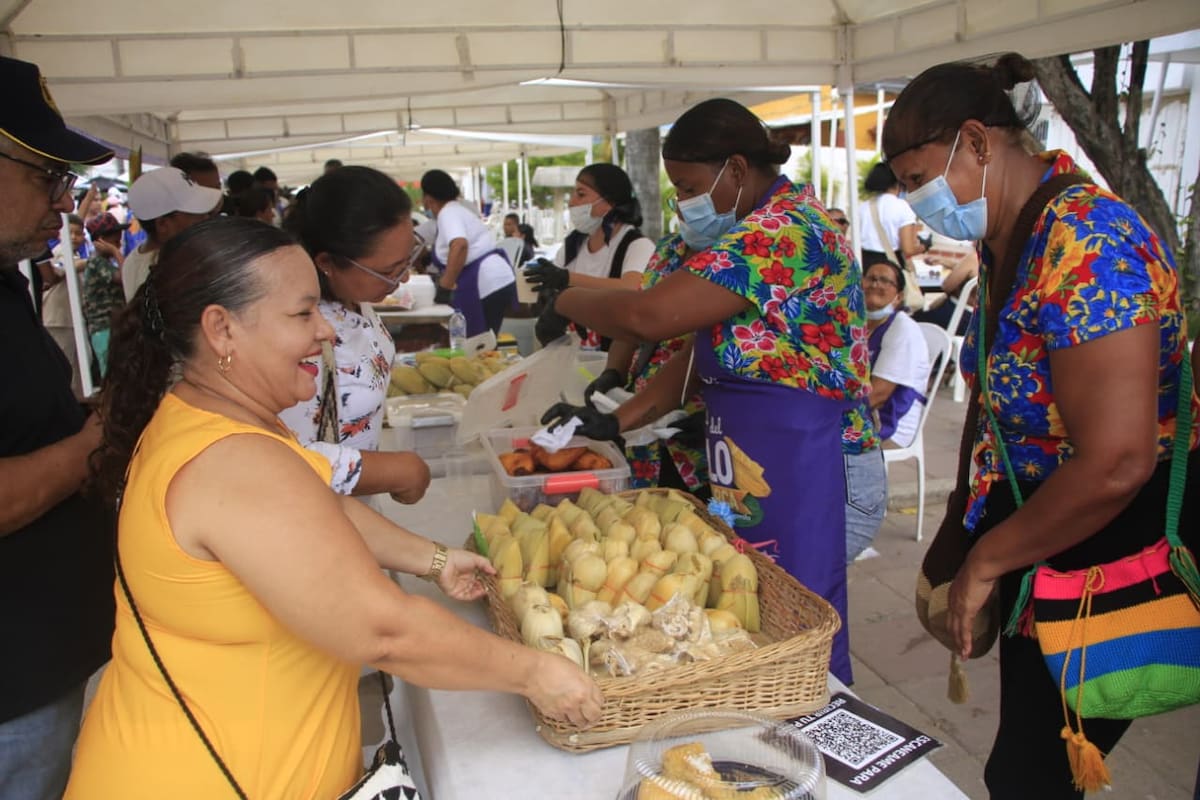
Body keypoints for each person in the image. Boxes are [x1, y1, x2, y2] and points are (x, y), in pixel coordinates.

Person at [64, 218, 603, 798]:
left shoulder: (213, 419)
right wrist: (534, 671)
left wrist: (434, 558)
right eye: (302, 314)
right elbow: (384, 631)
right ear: (221, 329)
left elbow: (320, 505)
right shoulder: (234, 462)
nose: (324, 331)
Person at [883, 53, 1199, 799]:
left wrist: (989, 559)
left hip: (1112, 527)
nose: (913, 204)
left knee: (1031, 770)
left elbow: (1119, 459)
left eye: (917, 178)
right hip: (1051, 525)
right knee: (1031, 761)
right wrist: (971, 526)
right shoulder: (1017, 234)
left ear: (979, 142)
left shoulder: (1089, 245)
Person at [540, 98, 879, 684]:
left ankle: (820, 753)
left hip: (820, 471)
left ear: (739, 170)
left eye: (690, 186)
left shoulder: (785, 231)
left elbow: (649, 316)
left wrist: (561, 293)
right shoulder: (742, 234)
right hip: (746, 471)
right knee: (742, 619)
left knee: (796, 634)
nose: (682, 202)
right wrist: (617, 420)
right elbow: (701, 357)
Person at [0, 54, 116, 800]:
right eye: (46, 176)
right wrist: (93, 441)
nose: (64, 203)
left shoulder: (8, 279)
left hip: (40, 664)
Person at [279, 166, 432, 502]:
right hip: (320, 519)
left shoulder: (354, 298)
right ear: (327, 262)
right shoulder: (299, 335)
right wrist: (395, 471)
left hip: (359, 511)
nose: (403, 280)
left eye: (408, 261)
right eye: (389, 271)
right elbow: (282, 457)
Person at [525, 163, 654, 349]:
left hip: (615, 360)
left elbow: (631, 287)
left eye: (581, 194)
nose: (571, 203)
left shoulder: (636, 246)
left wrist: (567, 279)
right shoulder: (573, 245)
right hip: (572, 356)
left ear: (608, 203)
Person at [420, 169, 516, 336]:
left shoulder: (448, 213)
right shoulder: (456, 210)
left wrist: (445, 286)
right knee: (483, 344)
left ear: (427, 199)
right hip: (494, 279)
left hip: (486, 281)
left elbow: (460, 245)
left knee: (477, 342)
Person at [121, 166, 223, 301]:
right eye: (195, 214)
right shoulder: (178, 268)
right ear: (163, 225)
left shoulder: (132, 262)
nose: (205, 218)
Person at [862, 257, 930, 449]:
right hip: (862, 411)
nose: (875, 284)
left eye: (885, 281)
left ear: (898, 296)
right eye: (870, 278)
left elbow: (878, 395)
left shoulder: (902, 329)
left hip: (890, 426)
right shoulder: (859, 324)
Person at [39, 213, 89, 396]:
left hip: (68, 319)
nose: (75, 238)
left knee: (76, 366)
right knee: (65, 365)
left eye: (79, 233)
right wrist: (90, 261)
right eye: (71, 233)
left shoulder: (74, 254)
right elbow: (65, 269)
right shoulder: (61, 253)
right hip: (58, 319)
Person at [81, 211, 129, 376]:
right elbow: (124, 278)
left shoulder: (105, 264)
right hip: (104, 329)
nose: (119, 243)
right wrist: (116, 252)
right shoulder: (97, 263)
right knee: (112, 377)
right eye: (115, 241)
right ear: (101, 240)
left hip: (112, 327)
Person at [857, 161, 927, 270]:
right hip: (890, 266)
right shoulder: (903, 207)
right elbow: (908, 249)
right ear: (899, 182)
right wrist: (924, 247)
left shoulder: (863, 207)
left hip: (864, 263)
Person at [913, 246, 979, 334]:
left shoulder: (975, 258)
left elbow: (947, 286)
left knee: (913, 320)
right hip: (976, 325)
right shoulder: (1000, 267)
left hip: (954, 315)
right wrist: (950, 264)